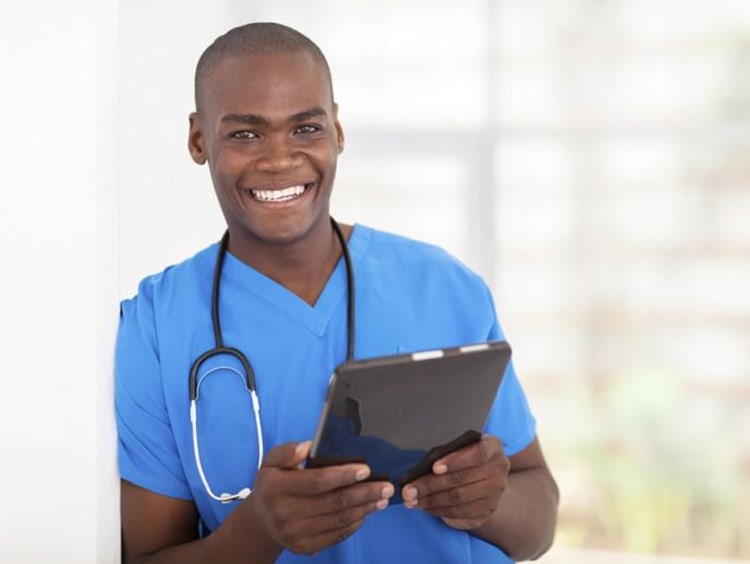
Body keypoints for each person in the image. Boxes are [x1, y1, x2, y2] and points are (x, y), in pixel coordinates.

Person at [115, 22, 559, 563]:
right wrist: (258, 528)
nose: (279, 159)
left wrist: (487, 500)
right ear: (198, 139)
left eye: (305, 128)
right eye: (245, 134)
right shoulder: (155, 324)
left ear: (338, 131)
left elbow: (538, 525)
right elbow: (145, 556)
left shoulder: (442, 286)